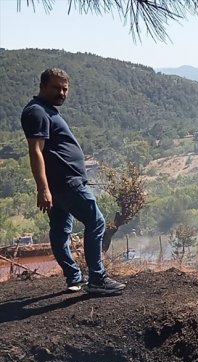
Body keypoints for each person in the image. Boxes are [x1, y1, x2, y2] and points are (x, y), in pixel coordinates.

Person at [21, 68, 126, 295]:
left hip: (60, 185)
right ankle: (97, 279)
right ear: (42, 86)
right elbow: (35, 151)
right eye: (56, 88)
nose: (61, 93)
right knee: (96, 222)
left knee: (60, 231)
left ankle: (74, 277)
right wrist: (43, 188)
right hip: (67, 184)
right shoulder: (37, 112)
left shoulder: (47, 110)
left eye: (65, 89)